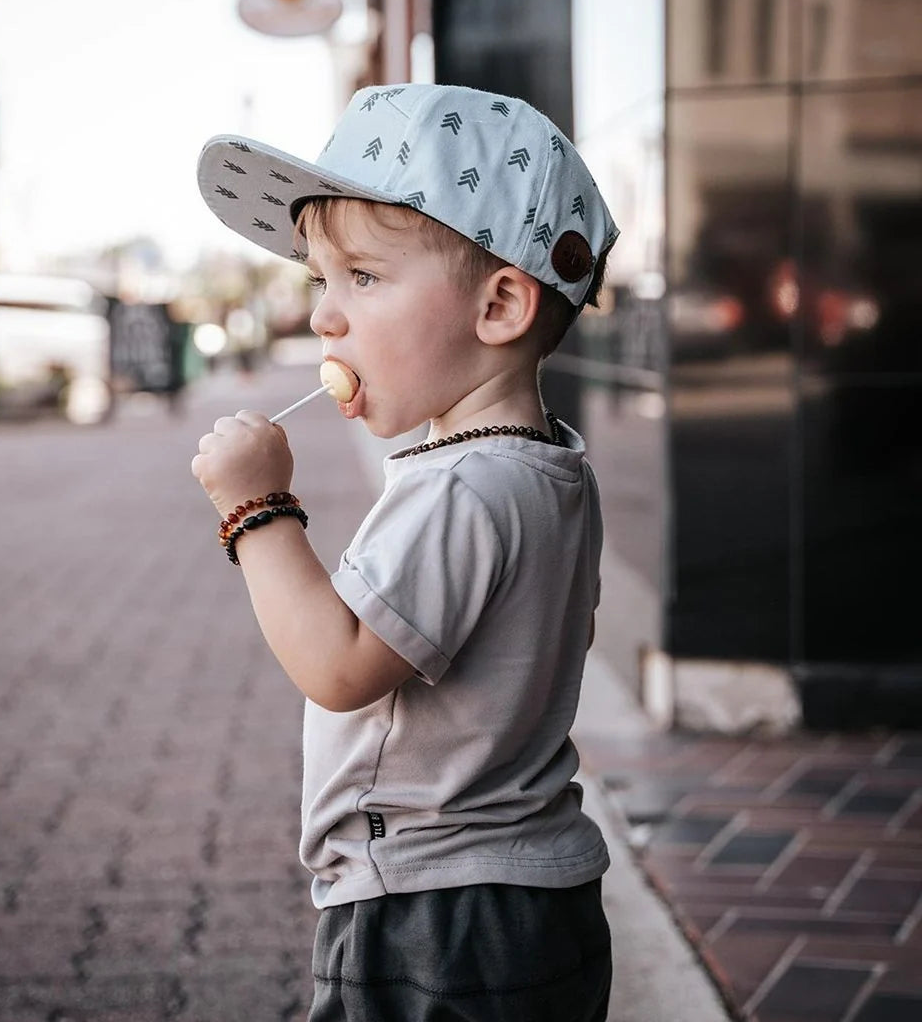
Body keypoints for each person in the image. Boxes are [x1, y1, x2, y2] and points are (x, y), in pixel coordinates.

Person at [190, 83, 618, 1022]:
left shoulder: (460, 485)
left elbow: (340, 667)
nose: (325, 318)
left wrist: (255, 507)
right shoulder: (552, 468)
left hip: (434, 909)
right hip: (530, 898)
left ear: (500, 304)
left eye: (365, 280)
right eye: (320, 281)